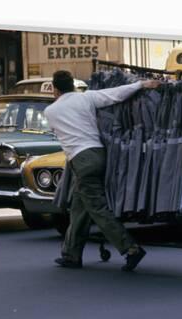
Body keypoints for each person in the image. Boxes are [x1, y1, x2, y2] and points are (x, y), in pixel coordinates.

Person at [44, 70, 161, 271]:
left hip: (80, 160)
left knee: (97, 208)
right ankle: (71, 254)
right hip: (99, 153)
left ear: (55, 89)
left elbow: (58, 133)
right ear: (73, 85)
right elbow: (115, 94)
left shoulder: (50, 112)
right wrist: (141, 85)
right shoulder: (86, 98)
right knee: (80, 207)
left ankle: (131, 249)